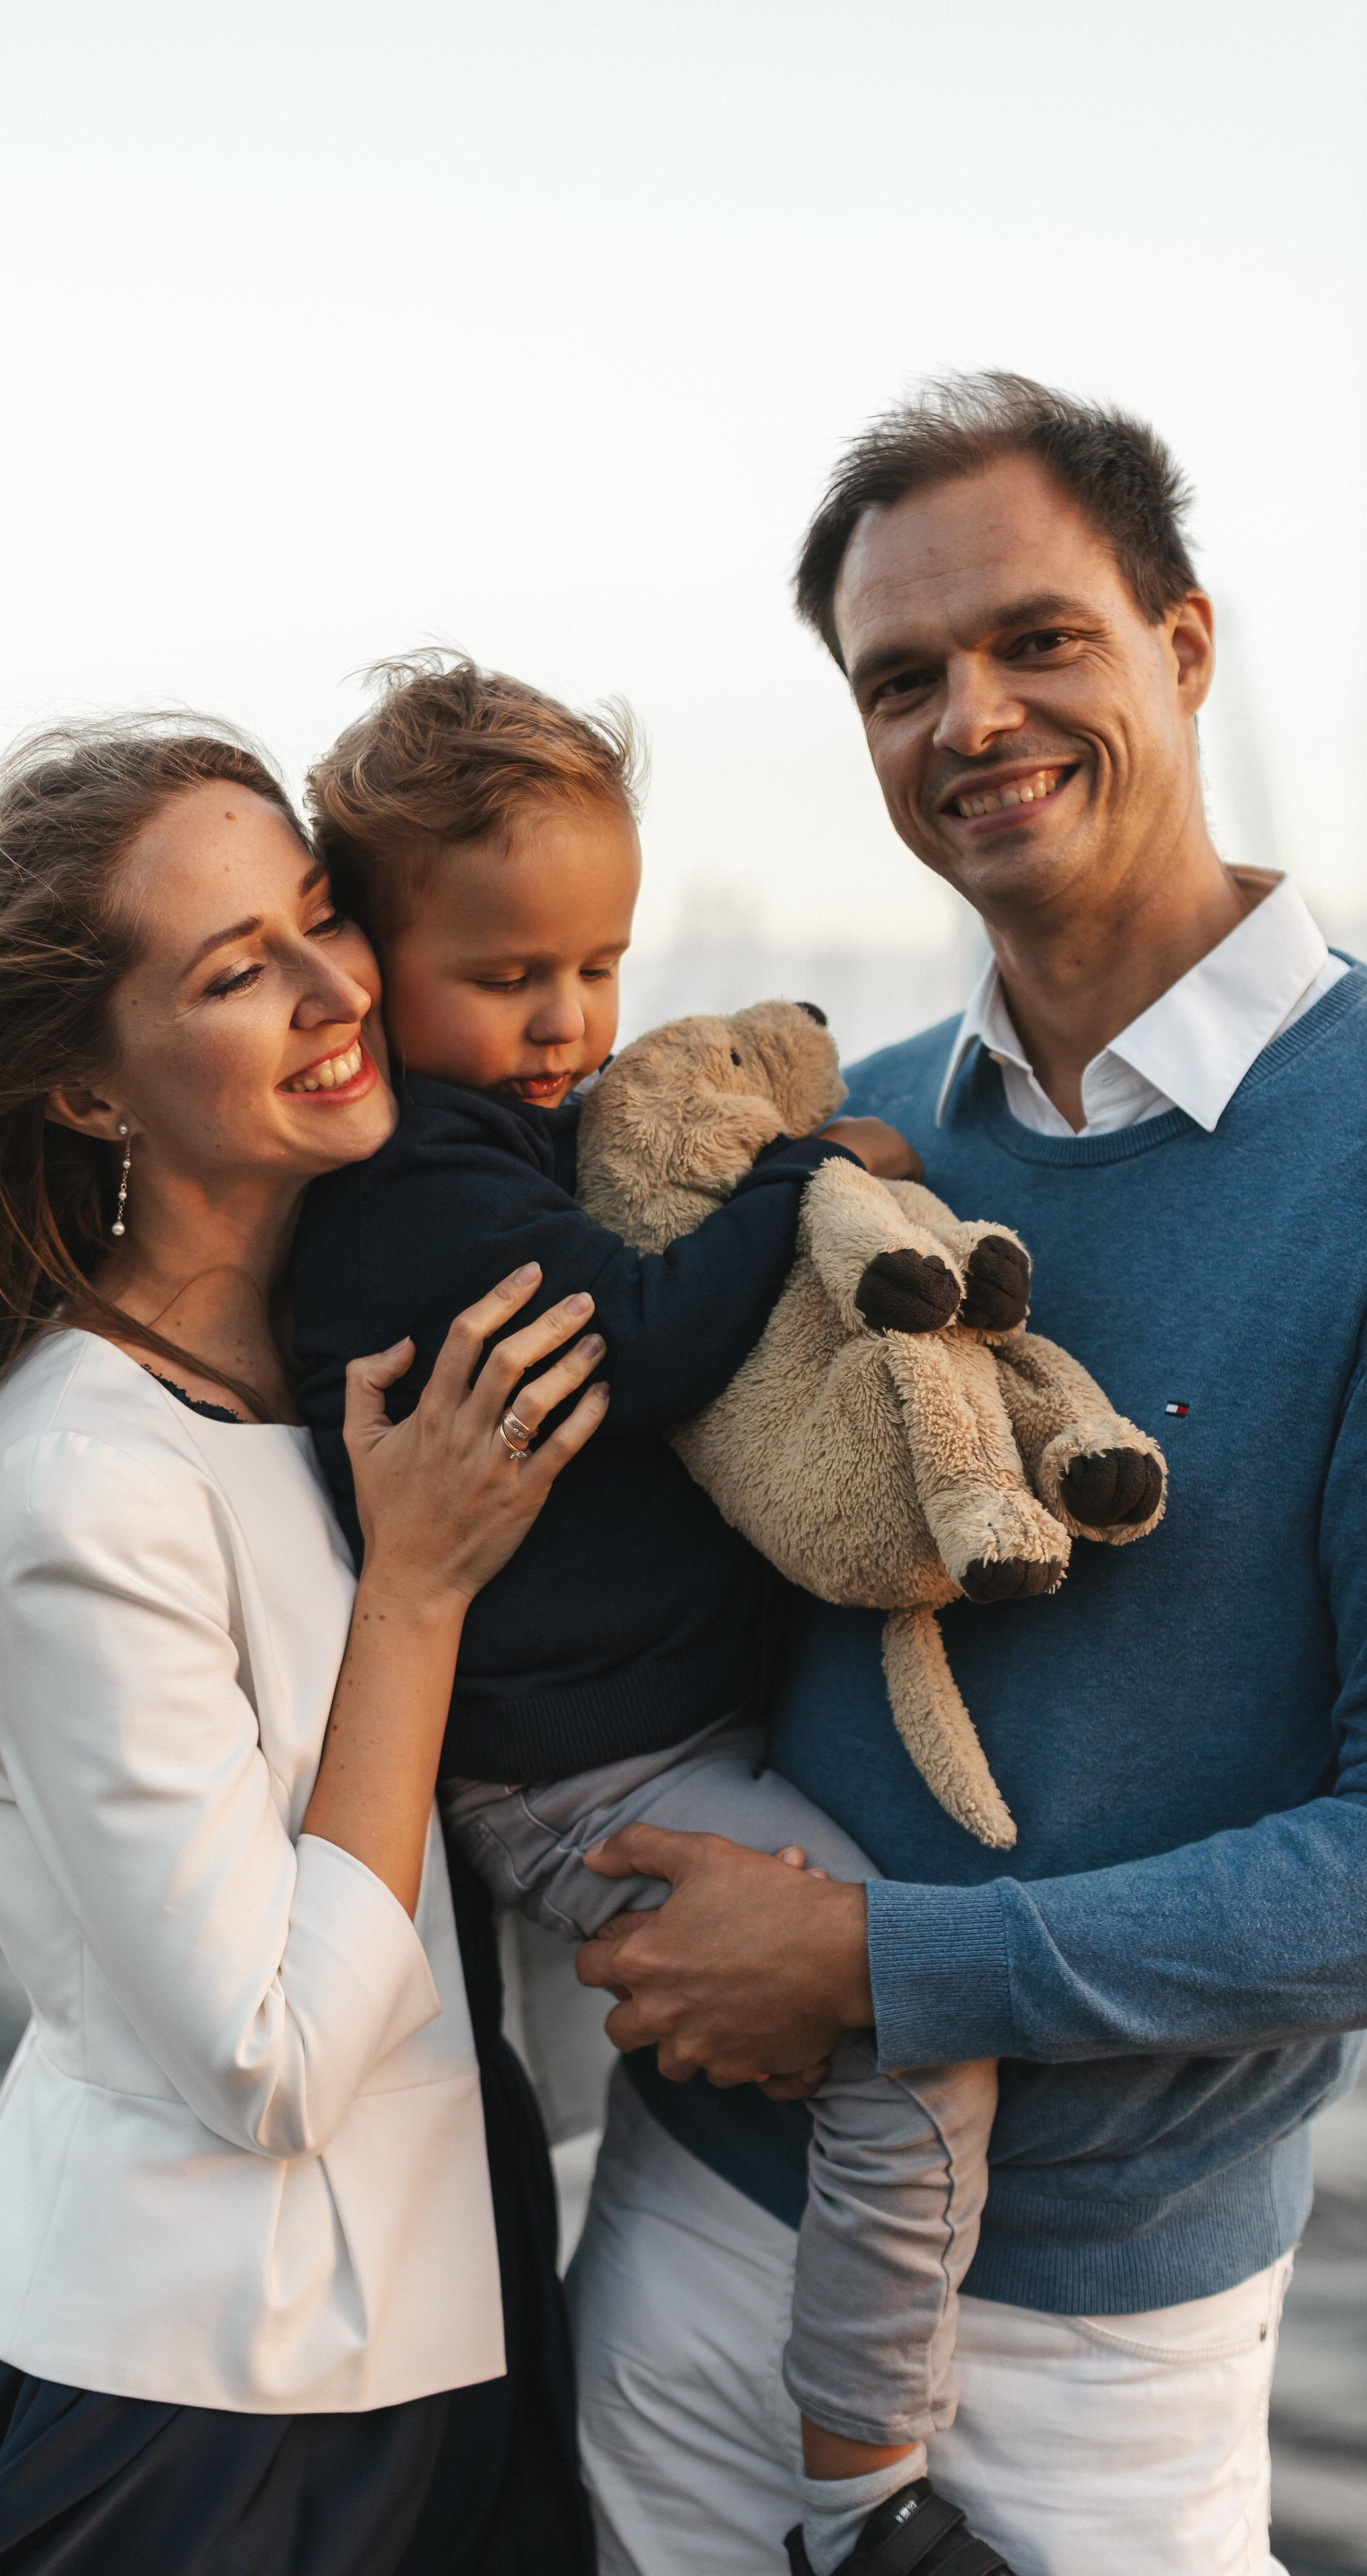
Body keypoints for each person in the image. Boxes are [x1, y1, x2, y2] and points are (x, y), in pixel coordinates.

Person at [0, 718, 612, 2575]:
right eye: (237, 973)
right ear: (89, 1093)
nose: (337, 989)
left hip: (456, 2309)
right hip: (209, 2403)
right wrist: (416, 1593)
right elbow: (271, 2057)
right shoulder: (85, 1470)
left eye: (324, 914)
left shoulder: (352, 1362)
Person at [565, 371, 1367, 2576]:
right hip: (694, 2223)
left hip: (1101, 2349)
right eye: (901, 678)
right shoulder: (853, 1141)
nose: (973, 718)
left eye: (1039, 640)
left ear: (1183, 647)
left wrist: (886, 1968)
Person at [288, 657, 1011, 2571]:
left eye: (598, 965)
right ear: (368, 960)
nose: (568, 1020)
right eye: (509, 974)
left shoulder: (506, 1141)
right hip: (581, 1775)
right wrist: (805, 1173)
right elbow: (651, 1343)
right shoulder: (417, 1185)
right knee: (917, 2045)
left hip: (623, 1735)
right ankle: (863, 2491)